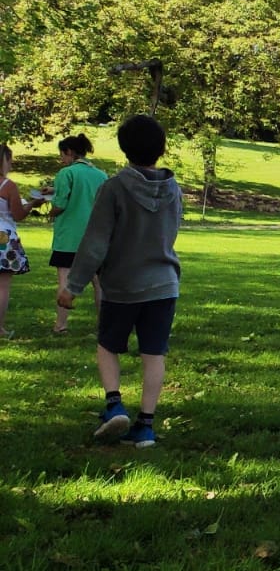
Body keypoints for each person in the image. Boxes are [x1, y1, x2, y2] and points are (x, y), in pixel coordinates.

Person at [57, 115, 182, 448]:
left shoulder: (113, 188)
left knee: (108, 344)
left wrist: (73, 286)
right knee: (154, 353)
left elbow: (95, 242)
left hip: (122, 286)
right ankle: (145, 426)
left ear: (124, 148)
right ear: (161, 148)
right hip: (164, 284)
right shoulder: (173, 189)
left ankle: (114, 405)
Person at [47, 133, 108, 334]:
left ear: (70, 152)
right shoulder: (101, 175)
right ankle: (104, 326)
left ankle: (61, 325)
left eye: (62, 154)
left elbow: (60, 204)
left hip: (69, 237)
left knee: (64, 280)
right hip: (95, 237)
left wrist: (49, 212)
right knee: (99, 284)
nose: (61, 159)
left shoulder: (66, 173)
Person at [0, 145, 36, 339]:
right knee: (3, 285)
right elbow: (18, 214)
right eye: (9, 160)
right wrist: (32, 204)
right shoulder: (8, 186)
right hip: (3, 236)